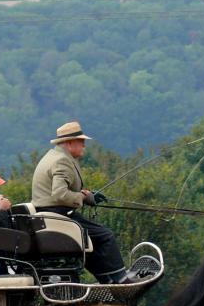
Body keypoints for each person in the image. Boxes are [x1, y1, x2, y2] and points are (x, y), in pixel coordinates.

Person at [31, 121, 130, 283]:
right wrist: (82, 198)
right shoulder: (62, 161)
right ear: (69, 143)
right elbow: (59, 194)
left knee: (90, 241)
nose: (84, 146)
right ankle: (121, 278)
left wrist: (88, 195)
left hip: (49, 213)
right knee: (105, 235)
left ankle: (107, 280)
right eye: (81, 142)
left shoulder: (52, 156)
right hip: (58, 214)